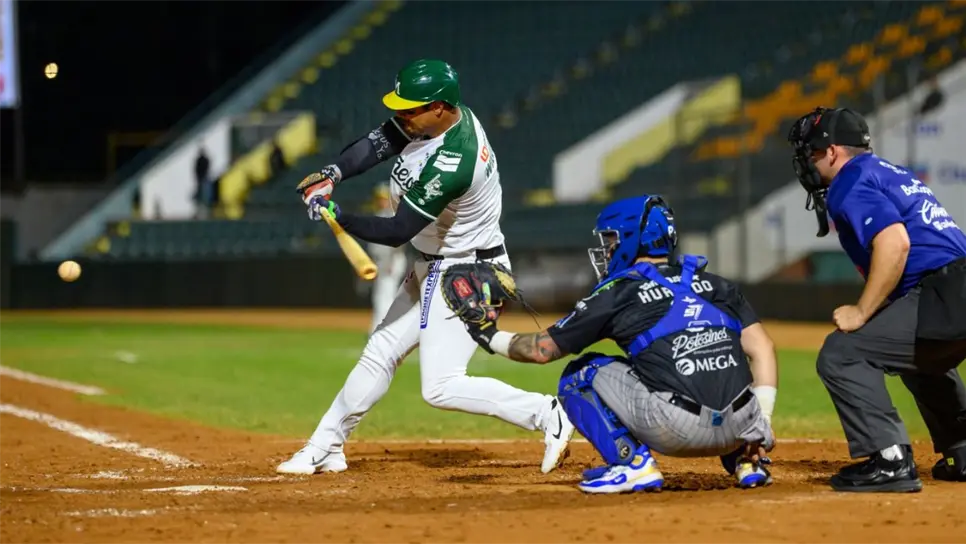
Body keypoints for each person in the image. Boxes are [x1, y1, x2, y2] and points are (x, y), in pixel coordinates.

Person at [275, 59, 574, 475]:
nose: (401, 116)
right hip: (435, 265)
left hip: (467, 274)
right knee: (379, 353)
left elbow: (399, 229)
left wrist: (339, 217)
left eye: (410, 108)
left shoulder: (455, 159)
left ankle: (548, 413)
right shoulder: (429, 121)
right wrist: (332, 174)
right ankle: (325, 446)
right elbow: (377, 143)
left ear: (439, 107)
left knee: (441, 386)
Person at [447, 195, 779, 494]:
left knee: (580, 373)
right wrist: (760, 424)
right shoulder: (715, 283)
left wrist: (488, 334)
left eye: (610, 240)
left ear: (632, 239)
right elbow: (762, 350)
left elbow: (542, 350)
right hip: (744, 427)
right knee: (710, 365)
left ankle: (631, 465)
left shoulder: (617, 292)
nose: (606, 250)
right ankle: (747, 461)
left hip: (677, 430)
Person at [787, 106, 966, 493]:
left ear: (832, 152)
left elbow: (895, 242)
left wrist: (862, 310)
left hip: (947, 290)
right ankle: (963, 448)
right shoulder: (888, 172)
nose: (808, 164)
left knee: (842, 354)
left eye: (810, 154)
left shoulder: (849, 180)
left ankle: (890, 459)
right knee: (918, 355)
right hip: (954, 287)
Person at [366, 183, 409, 333]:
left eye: (383, 198)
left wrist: (390, 261)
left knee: (384, 296)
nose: (381, 201)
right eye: (379, 198)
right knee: (382, 296)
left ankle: (382, 329)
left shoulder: (391, 214)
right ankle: (382, 328)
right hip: (383, 260)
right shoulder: (381, 213)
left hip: (391, 260)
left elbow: (398, 241)